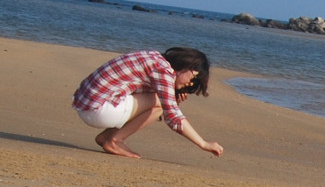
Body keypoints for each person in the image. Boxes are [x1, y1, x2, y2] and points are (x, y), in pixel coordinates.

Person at [72, 46, 223, 158]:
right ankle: (114, 140)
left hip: (86, 105)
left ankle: (108, 138)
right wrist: (203, 143)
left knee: (161, 101)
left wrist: (172, 96)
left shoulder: (154, 57)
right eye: (193, 78)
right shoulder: (164, 71)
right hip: (98, 110)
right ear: (187, 67)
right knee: (160, 105)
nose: (191, 84)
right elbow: (173, 117)